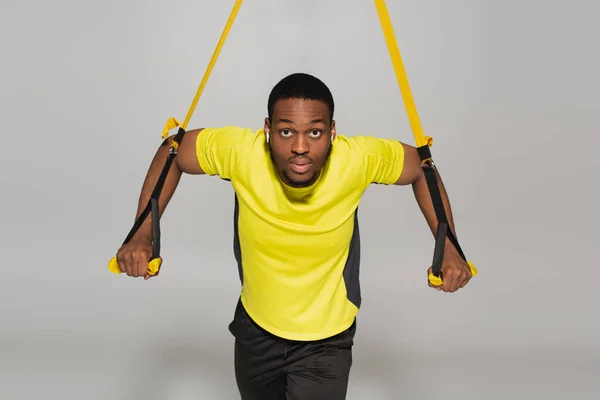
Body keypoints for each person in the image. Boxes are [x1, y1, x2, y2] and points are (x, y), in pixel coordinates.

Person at [113, 72, 474, 399]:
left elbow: (420, 167)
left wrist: (448, 245)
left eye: (314, 132)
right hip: (254, 331)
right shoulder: (242, 152)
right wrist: (143, 232)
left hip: (325, 344)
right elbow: (174, 150)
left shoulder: (358, 158)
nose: (300, 147)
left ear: (332, 132)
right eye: (287, 131)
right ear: (268, 129)